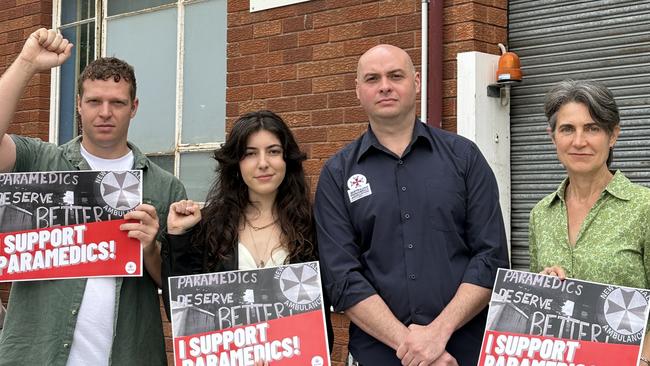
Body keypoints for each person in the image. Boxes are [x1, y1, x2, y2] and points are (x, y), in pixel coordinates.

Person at [314, 44, 509, 366]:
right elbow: (342, 276)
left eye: (396, 75)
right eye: (372, 78)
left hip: (463, 353)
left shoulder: (464, 158)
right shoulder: (338, 174)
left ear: (416, 82)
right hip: (379, 355)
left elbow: (490, 257)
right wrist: (413, 345)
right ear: (358, 91)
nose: (385, 86)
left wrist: (437, 334)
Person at [0, 28, 186, 365]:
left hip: (129, 355)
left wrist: (151, 249)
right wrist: (27, 62)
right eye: (94, 101)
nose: (105, 112)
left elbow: (181, 295)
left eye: (117, 102)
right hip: (37, 354)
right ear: (79, 106)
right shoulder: (41, 161)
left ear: (134, 107)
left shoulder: (166, 187)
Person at [161, 110, 333, 355]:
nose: (263, 163)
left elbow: (324, 316)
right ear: (236, 163)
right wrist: (179, 236)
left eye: (273, 151)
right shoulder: (210, 226)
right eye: (250, 153)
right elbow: (184, 313)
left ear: (287, 159)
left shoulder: (315, 225)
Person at [528, 79, 650, 362]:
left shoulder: (643, 208)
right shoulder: (541, 214)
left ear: (613, 135)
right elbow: (538, 304)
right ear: (553, 137)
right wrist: (543, 287)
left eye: (592, 128)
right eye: (567, 129)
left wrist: (643, 359)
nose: (579, 141)